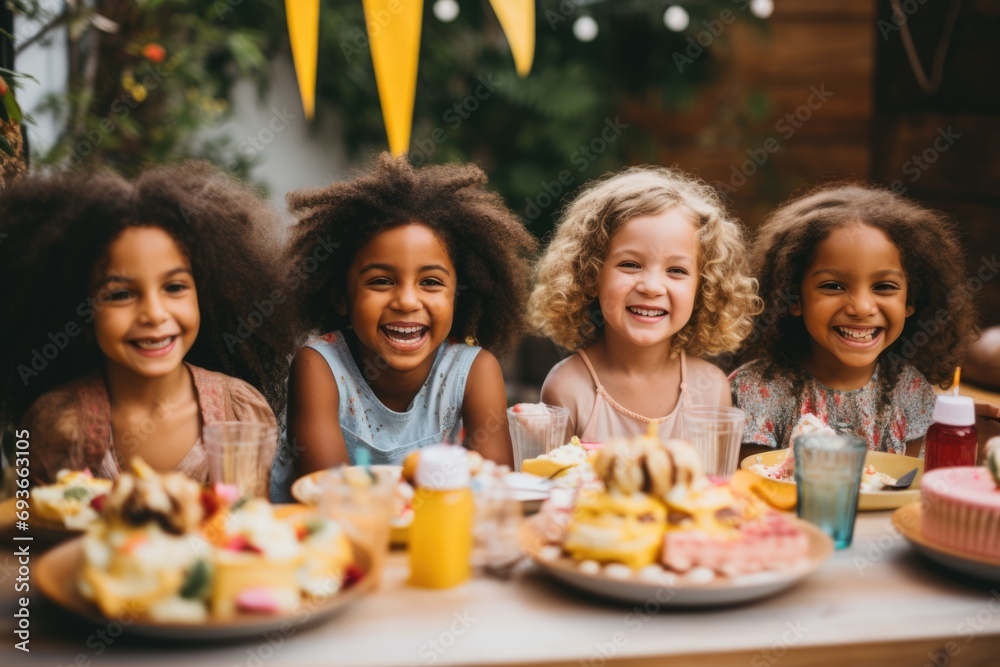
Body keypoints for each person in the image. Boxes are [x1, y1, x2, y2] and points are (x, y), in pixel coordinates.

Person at [0, 163, 294, 491]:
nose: (154, 314)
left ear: (208, 293)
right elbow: (28, 534)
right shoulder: (55, 426)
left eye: (174, 287)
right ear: (79, 309)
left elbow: (254, 531)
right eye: (121, 294)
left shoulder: (240, 413)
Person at [280, 153, 536, 487]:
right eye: (381, 281)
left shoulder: (474, 371)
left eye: (430, 282)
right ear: (342, 298)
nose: (407, 301)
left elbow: (492, 489)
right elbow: (331, 493)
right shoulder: (318, 368)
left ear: (459, 297)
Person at [731, 184, 985, 459]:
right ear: (793, 297)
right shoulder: (758, 388)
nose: (862, 308)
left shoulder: (909, 389)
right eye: (833, 286)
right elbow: (754, 484)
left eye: (885, 286)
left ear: (911, 299)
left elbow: (909, 482)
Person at [528, 166, 761, 442]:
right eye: (630, 265)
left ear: (705, 288)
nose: (651, 287)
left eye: (676, 270)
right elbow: (554, 480)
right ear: (590, 275)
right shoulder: (567, 387)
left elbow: (718, 483)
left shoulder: (710, 389)